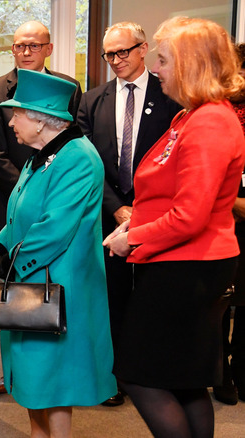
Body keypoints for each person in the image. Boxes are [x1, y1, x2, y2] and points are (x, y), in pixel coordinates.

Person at [103, 17, 245, 438]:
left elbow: (190, 214)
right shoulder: (189, 116)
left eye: (163, 60)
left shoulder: (211, 122)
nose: (157, 69)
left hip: (189, 269)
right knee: (184, 381)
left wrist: (133, 237)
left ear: (189, 64)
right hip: (177, 263)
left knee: (139, 375)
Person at [0, 69, 117, 437]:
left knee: (54, 378)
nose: (12, 121)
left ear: (42, 119)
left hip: (58, 286)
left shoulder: (78, 158)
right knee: (33, 375)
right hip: (34, 282)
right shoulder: (40, 154)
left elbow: (53, 228)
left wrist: (13, 260)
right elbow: (19, 210)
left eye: (18, 114)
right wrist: (2, 243)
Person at [76, 22, 182, 406]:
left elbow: (175, 161)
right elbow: (88, 164)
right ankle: (116, 376)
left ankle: (154, 372)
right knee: (112, 298)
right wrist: (117, 207)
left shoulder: (170, 96)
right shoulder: (91, 101)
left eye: (124, 52)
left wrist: (144, 212)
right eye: (109, 54)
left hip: (159, 216)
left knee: (153, 297)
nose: (116, 60)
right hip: (109, 215)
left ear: (143, 49)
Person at [0, 20, 82, 394]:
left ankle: (38, 377)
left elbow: (73, 138)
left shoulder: (68, 90)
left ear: (48, 48)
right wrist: (30, 192)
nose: (25, 51)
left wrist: (41, 193)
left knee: (46, 302)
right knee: (20, 303)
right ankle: (19, 373)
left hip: (55, 201)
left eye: (33, 45)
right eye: (19, 45)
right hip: (18, 198)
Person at [216, 42, 245, 405]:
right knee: (221, 302)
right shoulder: (217, 111)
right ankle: (221, 372)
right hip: (222, 218)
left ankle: (242, 371)